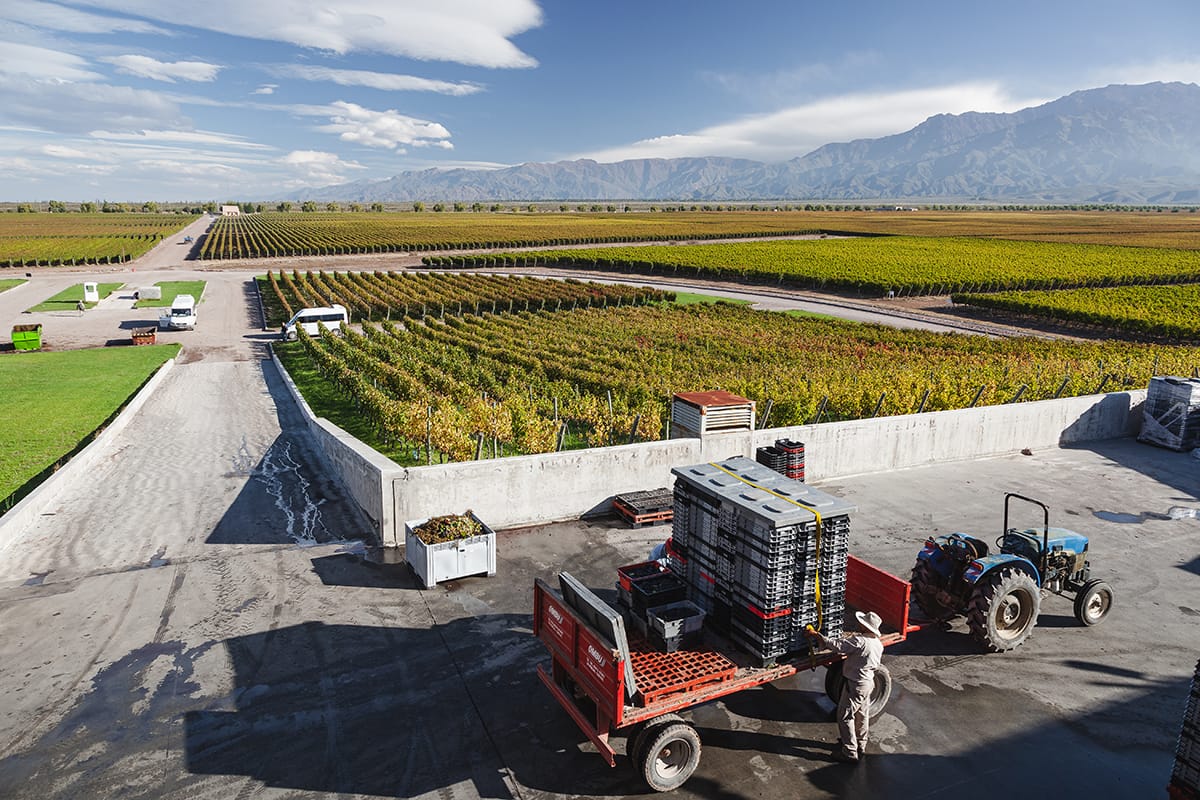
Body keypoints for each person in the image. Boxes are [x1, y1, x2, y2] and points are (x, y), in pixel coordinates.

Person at [807, 610, 884, 764]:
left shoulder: (860, 641)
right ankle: (861, 745)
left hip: (855, 685)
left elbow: (837, 645)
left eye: (862, 623)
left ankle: (849, 751)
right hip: (868, 683)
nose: (859, 625)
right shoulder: (877, 644)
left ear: (866, 627)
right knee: (862, 715)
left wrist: (817, 636)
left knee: (845, 715)